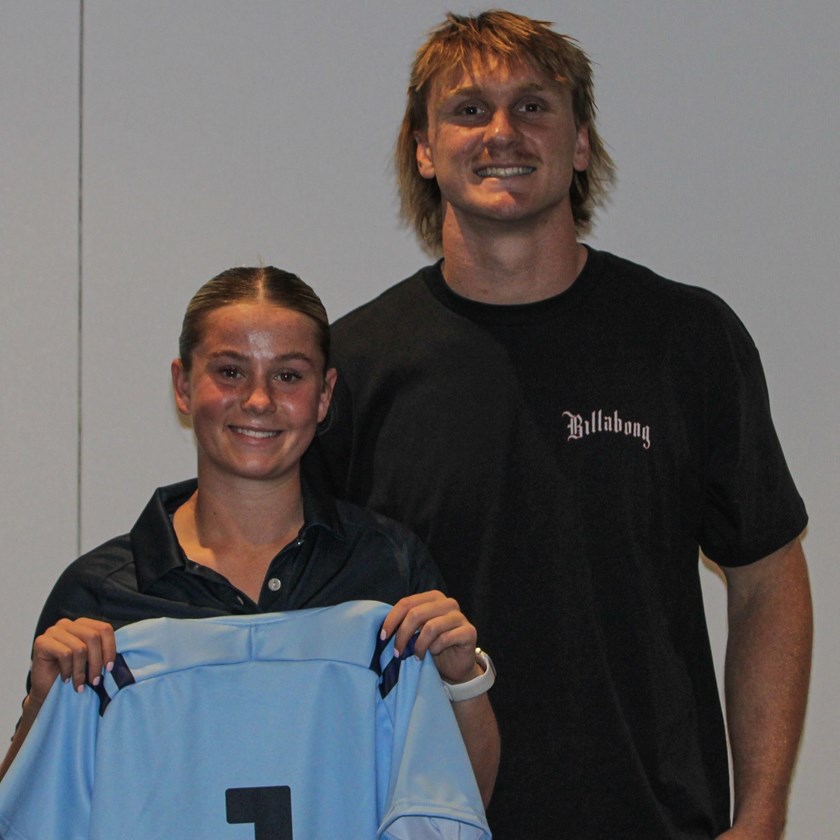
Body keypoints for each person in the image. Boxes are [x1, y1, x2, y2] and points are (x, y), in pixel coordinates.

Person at [304, 10, 813, 839]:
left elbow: (767, 581)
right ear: (425, 150)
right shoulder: (355, 366)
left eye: (535, 106)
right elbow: (302, 622)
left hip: (655, 822)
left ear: (580, 143)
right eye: (469, 109)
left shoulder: (685, 338)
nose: (503, 132)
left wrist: (760, 818)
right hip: (425, 825)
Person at [0, 266, 500, 809]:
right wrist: (41, 706)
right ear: (183, 386)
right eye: (231, 372)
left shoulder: (388, 566)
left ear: (325, 394)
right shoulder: (101, 592)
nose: (259, 400)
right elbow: (28, 813)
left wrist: (461, 678)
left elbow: (458, 802)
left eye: (288, 375)